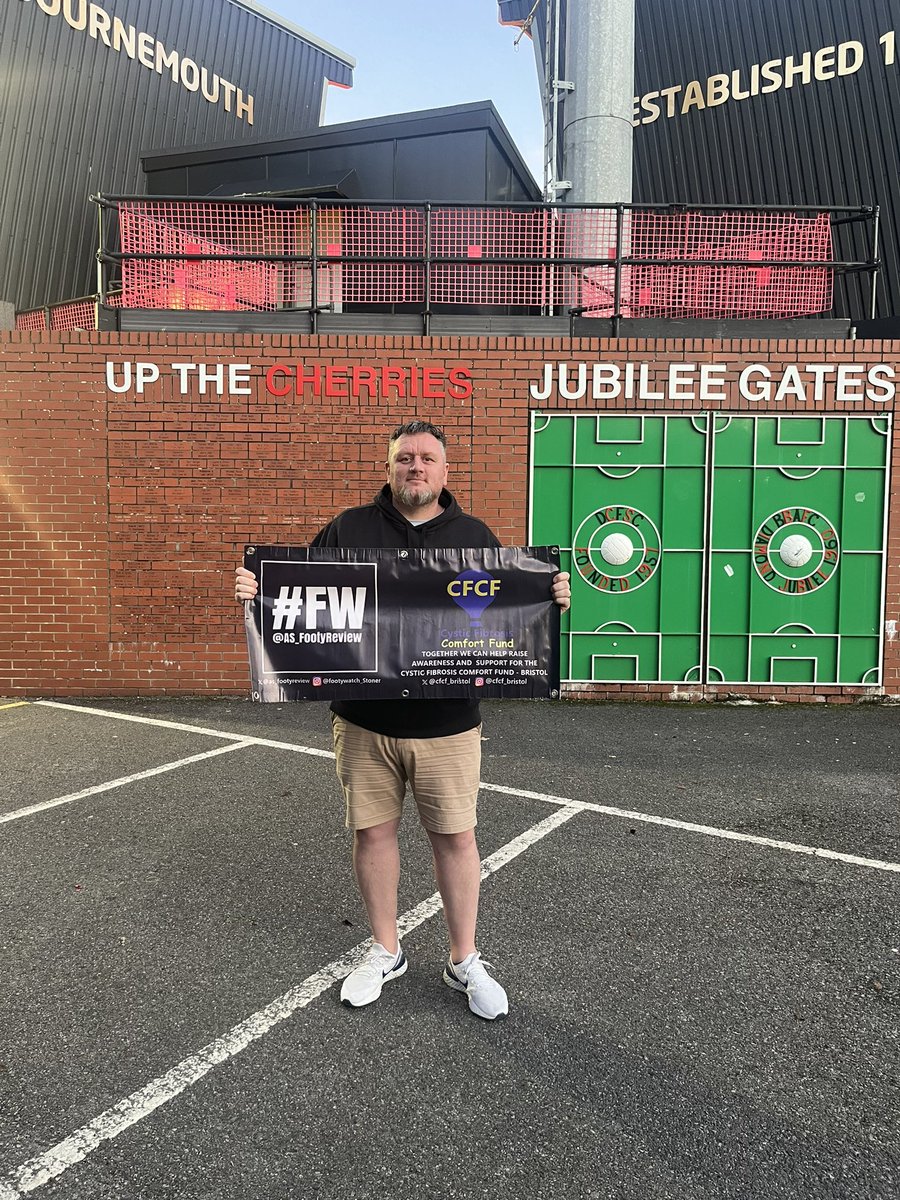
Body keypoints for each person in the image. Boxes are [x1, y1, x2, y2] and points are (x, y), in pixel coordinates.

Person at [234, 419, 570, 1020]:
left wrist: (549, 597)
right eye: (404, 458)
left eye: (427, 459)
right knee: (373, 833)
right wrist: (255, 588)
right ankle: (386, 949)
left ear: (445, 471)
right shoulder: (349, 528)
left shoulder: (473, 534)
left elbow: (504, 611)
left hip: (448, 723)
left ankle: (463, 958)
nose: (415, 467)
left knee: (457, 838)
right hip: (364, 721)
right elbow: (300, 589)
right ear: (389, 467)